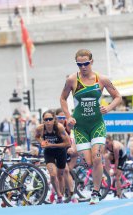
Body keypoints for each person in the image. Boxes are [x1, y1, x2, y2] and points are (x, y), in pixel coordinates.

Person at [60, 49, 122, 204]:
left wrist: (108, 108)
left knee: (97, 158)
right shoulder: (72, 80)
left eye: (86, 63)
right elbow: (62, 98)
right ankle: (94, 182)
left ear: (91, 62)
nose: (83, 67)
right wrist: (69, 117)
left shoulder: (102, 79)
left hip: (97, 125)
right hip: (80, 127)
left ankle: (95, 192)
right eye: (79, 64)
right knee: (88, 162)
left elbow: (118, 97)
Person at [35, 110, 71, 204]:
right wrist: (42, 142)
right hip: (49, 152)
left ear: (54, 119)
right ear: (43, 120)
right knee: (52, 174)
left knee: (60, 175)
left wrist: (51, 145)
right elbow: (37, 137)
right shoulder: (40, 128)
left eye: (50, 119)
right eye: (46, 119)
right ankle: (59, 195)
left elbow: (68, 143)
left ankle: (61, 196)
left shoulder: (59, 128)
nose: (48, 122)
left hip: (60, 151)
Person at [55, 108, 78, 203]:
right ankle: (59, 195)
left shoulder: (66, 125)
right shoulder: (53, 126)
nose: (61, 119)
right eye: (59, 117)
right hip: (55, 150)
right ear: (56, 118)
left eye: (63, 117)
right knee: (60, 174)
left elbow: (71, 137)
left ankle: (72, 195)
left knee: (66, 171)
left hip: (66, 149)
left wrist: (71, 147)